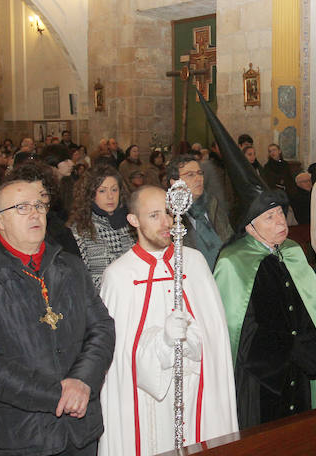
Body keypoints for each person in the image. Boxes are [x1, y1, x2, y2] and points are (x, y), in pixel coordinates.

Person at [200, 94, 316, 429]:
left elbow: (311, 307)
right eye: (270, 218)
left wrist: (309, 344)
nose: (281, 223)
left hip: (300, 368)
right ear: (249, 227)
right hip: (261, 379)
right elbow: (238, 330)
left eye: (280, 214)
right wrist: (284, 350)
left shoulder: (293, 251)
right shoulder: (233, 263)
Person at [0, 177, 115, 456]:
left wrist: (82, 380)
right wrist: (57, 394)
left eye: (39, 205)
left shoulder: (71, 267)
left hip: (79, 430)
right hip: (18, 435)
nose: (34, 213)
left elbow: (100, 328)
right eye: (22, 207)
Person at [99, 186, 238, 454]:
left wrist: (191, 338)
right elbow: (116, 358)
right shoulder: (119, 276)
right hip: (144, 402)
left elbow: (215, 338)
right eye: (154, 215)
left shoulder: (195, 264)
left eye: (168, 212)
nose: (166, 222)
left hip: (197, 391)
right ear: (133, 221)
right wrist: (161, 343)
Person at [67, 165, 136, 290]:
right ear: (91, 194)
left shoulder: (132, 223)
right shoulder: (81, 229)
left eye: (114, 190)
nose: (110, 196)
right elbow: (82, 277)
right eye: (102, 191)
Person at [166, 154, 233, 268]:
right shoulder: (170, 215)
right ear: (174, 182)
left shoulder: (213, 204)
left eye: (199, 173)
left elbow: (230, 239)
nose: (198, 179)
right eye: (190, 175)